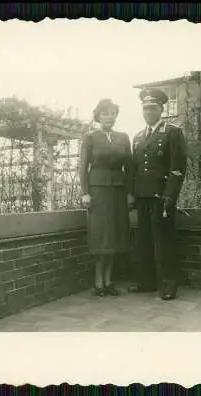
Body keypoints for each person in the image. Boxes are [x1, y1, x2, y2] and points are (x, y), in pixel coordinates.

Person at [128, 88, 187, 301]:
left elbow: (177, 168)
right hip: (142, 196)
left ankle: (168, 285)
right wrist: (131, 195)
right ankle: (146, 282)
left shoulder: (172, 132)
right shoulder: (138, 137)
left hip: (161, 196)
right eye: (145, 108)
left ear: (161, 109)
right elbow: (134, 169)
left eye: (153, 108)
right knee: (143, 240)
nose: (148, 112)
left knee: (163, 241)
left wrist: (169, 196)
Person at [80, 99, 135, 297]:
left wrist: (129, 192)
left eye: (112, 113)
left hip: (118, 191)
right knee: (100, 235)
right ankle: (98, 283)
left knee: (115, 235)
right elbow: (83, 167)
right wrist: (85, 192)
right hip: (98, 191)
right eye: (105, 113)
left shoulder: (123, 137)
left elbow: (129, 168)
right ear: (98, 115)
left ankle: (109, 281)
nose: (109, 117)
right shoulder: (90, 137)